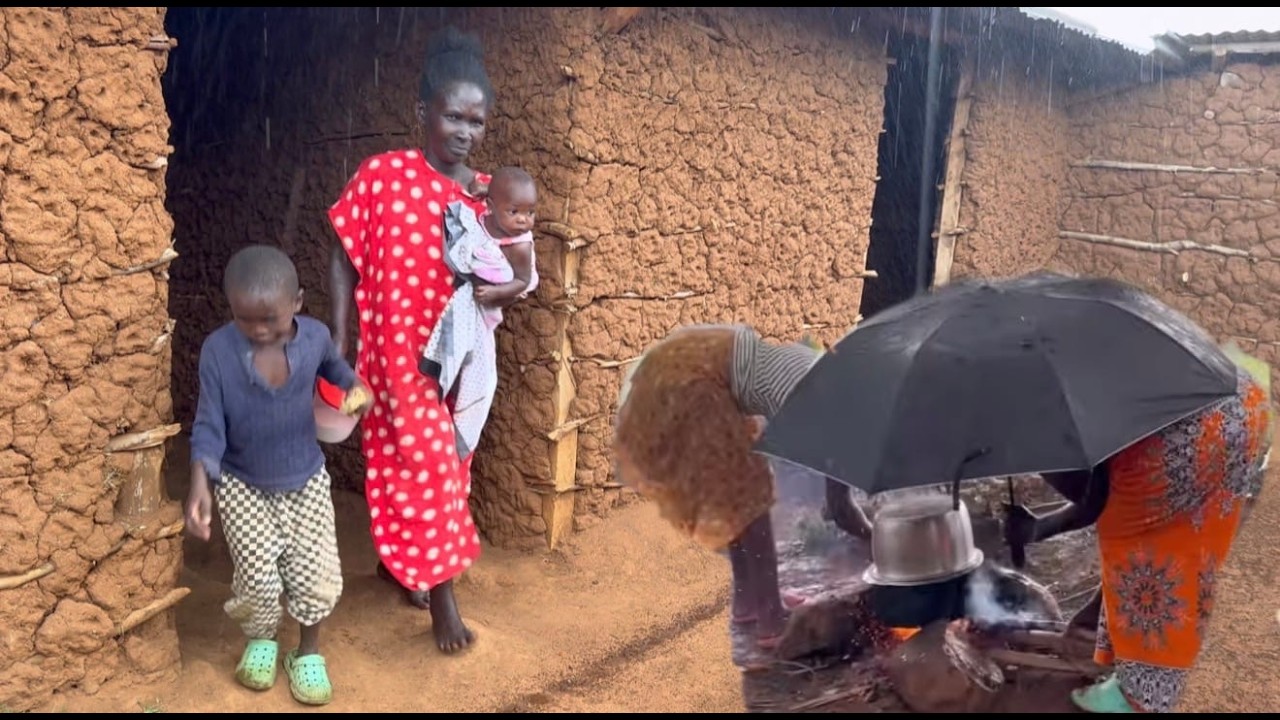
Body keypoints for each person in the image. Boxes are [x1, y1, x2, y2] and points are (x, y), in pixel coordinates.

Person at [327, 25, 498, 654]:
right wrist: (341, 333)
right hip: (398, 356)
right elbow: (343, 251)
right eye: (453, 116)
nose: (464, 131)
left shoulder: (484, 197)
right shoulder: (383, 176)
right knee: (428, 467)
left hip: (461, 362)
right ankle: (443, 605)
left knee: (448, 467)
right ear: (422, 111)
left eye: (476, 121)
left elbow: (509, 268)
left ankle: (401, 566)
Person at [1004, 365, 1271, 713]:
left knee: (1145, 557)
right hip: (1239, 402)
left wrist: (1037, 531)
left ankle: (1141, 696)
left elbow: (1098, 504)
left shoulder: (1076, 428)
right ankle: (1166, 666)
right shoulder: (1095, 382)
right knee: (1188, 543)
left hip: (1197, 437)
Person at [613, 324, 873, 651]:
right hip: (691, 382)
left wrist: (863, 525)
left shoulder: (832, 392)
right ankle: (771, 618)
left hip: (697, 375)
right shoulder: (811, 397)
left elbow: (839, 500)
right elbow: (839, 506)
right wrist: (876, 540)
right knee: (752, 493)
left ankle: (750, 602)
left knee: (739, 493)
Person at [185, 244, 369, 706]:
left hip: (305, 479)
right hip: (242, 484)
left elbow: (337, 370)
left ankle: (307, 652)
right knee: (256, 577)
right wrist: (201, 481)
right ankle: (262, 639)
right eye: (245, 319)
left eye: (270, 319)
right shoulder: (218, 352)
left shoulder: (315, 338)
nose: (259, 330)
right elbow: (208, 423)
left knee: (316, 572)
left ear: (297, 302)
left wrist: (354, 391)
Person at [419, 166, 538, 460]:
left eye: (530, 212)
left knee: (479, 365)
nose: (523, 220)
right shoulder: (486, 215)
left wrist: (496, 293)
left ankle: (462, 421)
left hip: (498, 295)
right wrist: (484, 190)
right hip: (474, 285)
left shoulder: (520, 245)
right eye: (514, 211)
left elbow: (523, 282)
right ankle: (441, 372)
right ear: (491, 206)